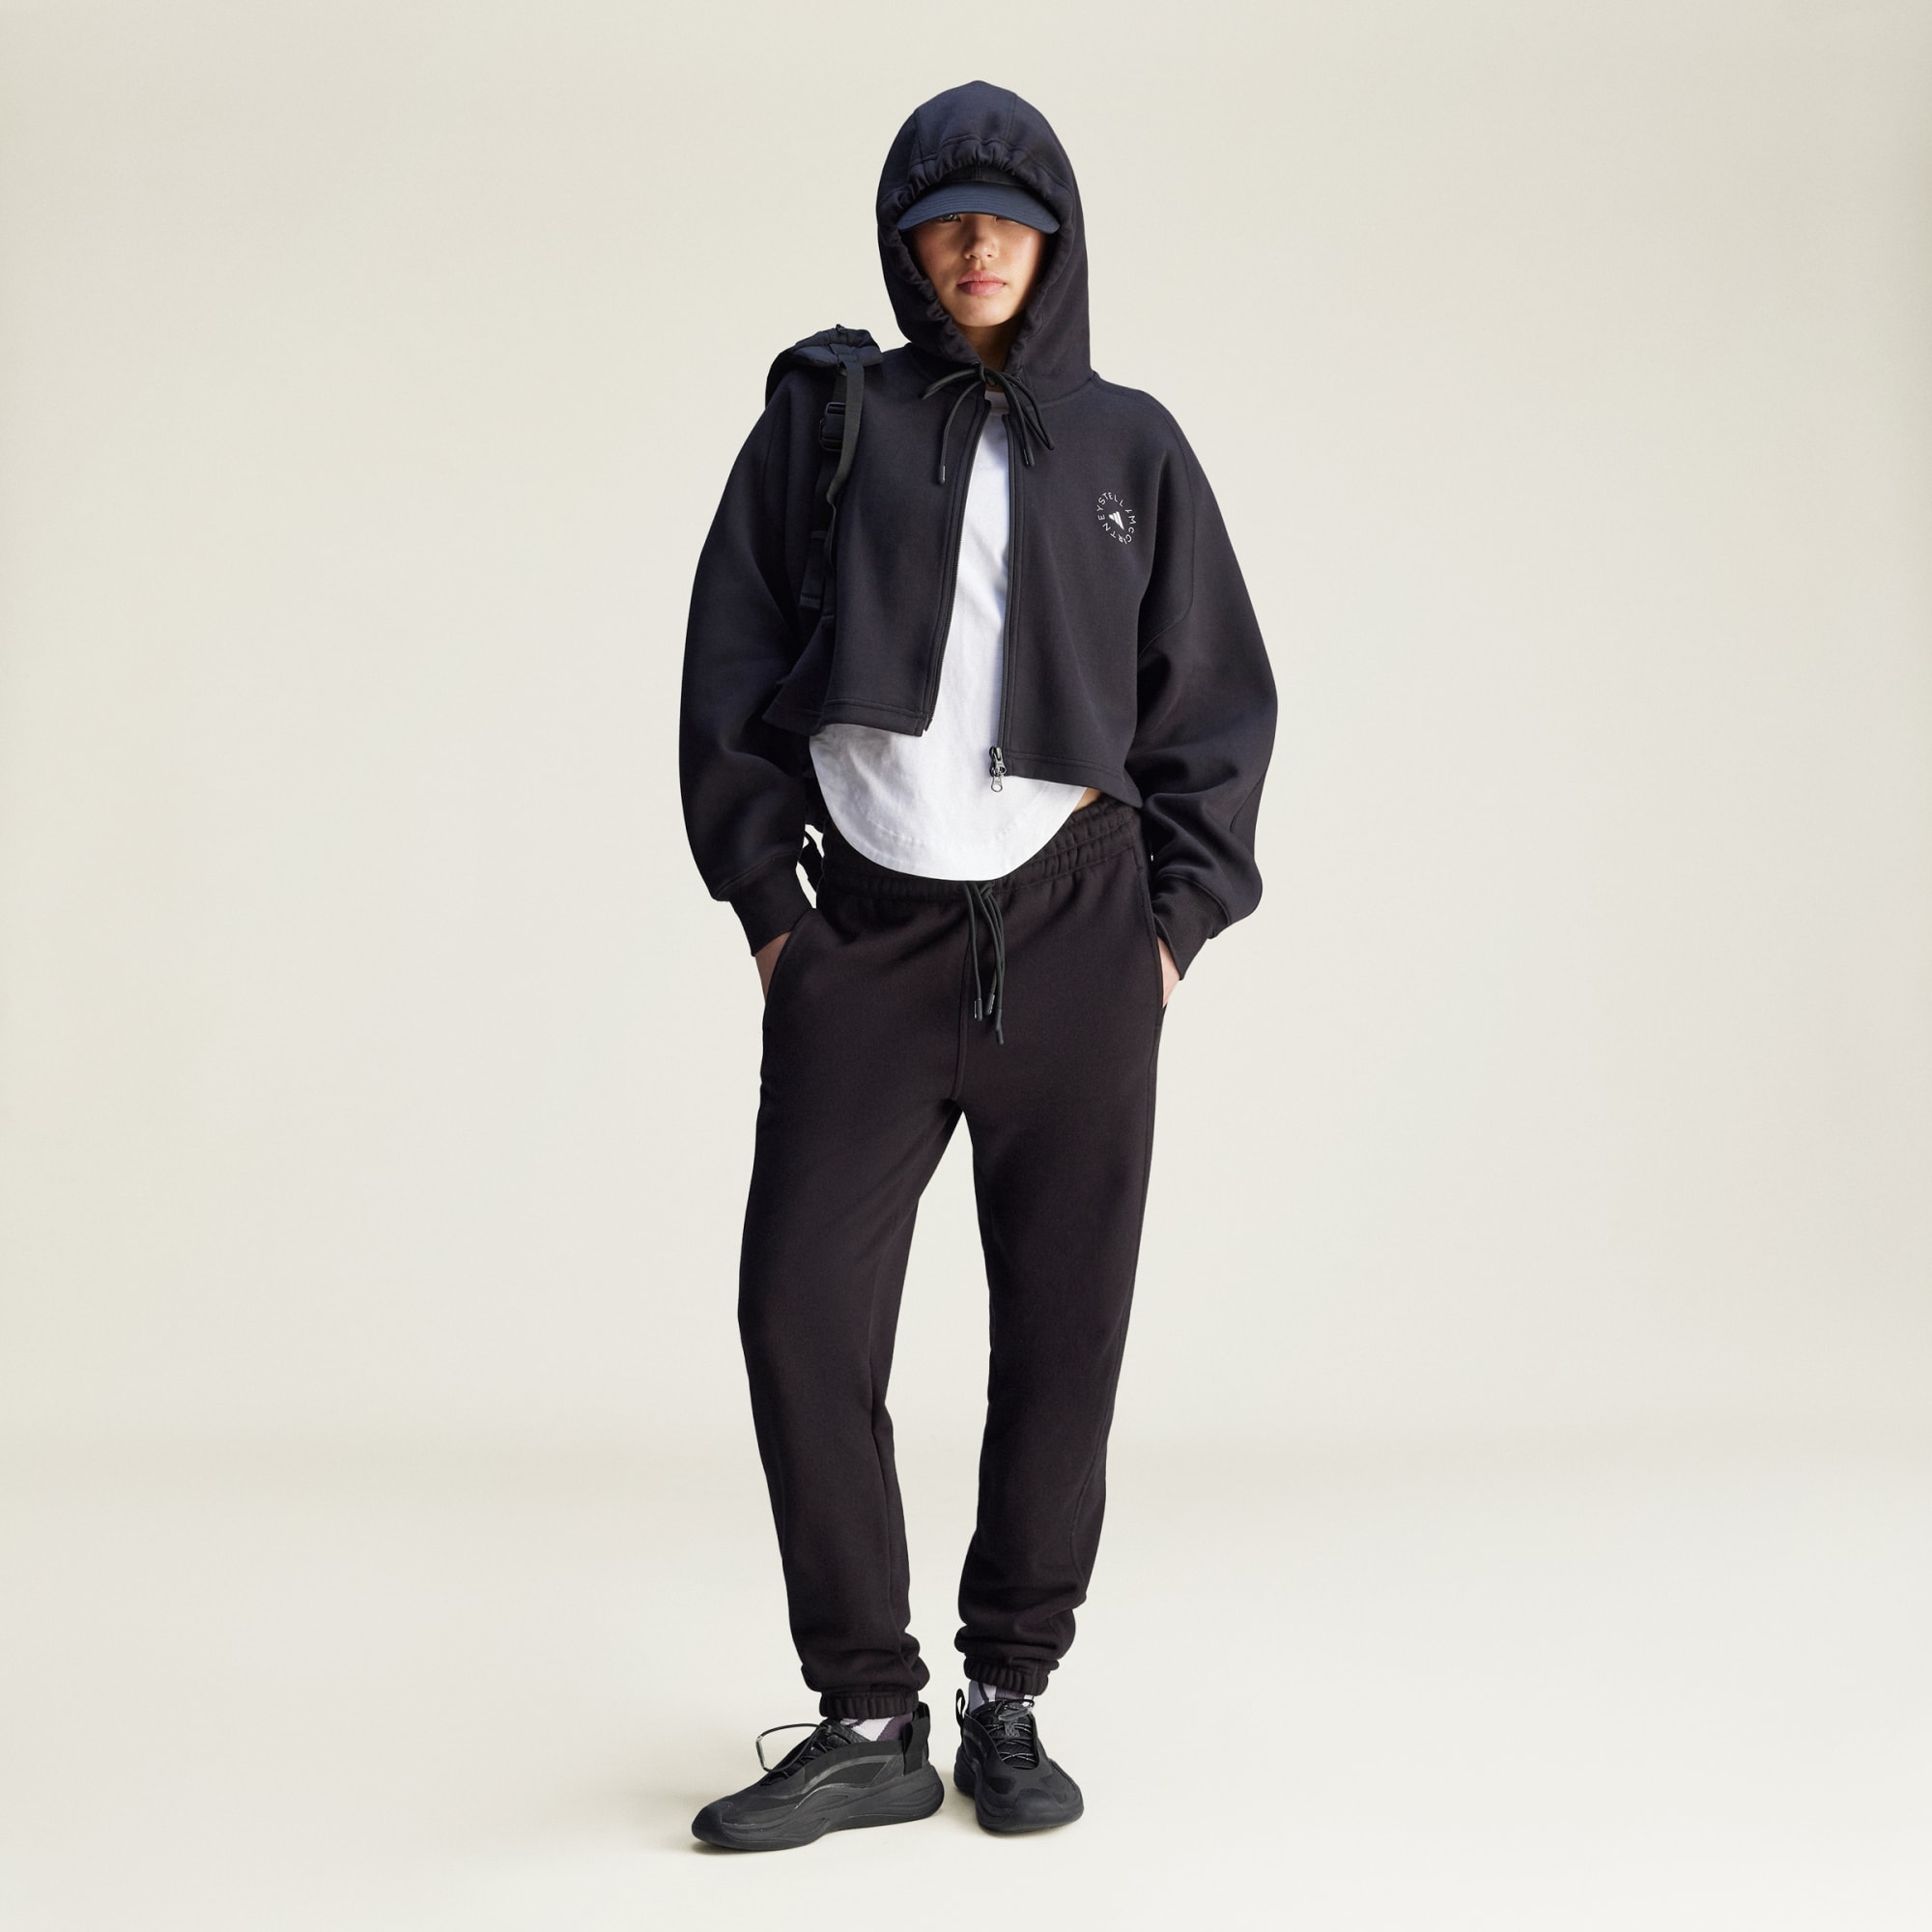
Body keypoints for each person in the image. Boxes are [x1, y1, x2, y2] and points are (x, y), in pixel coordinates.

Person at [677, 79, 1277, 1850]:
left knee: (1063, 1335)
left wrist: (1169, 933)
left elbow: (1215, 702)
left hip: (1082, 935)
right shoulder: (827, 419)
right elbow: (726, 663)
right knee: (799, 1314)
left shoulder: (1130, 445)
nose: (977, 242)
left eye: (1009, 215)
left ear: (1057, 238)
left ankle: (1009, 1692)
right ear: (904, 243)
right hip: (863, 940)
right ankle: (867, 1714)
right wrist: (774, 915)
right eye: (944, 217)